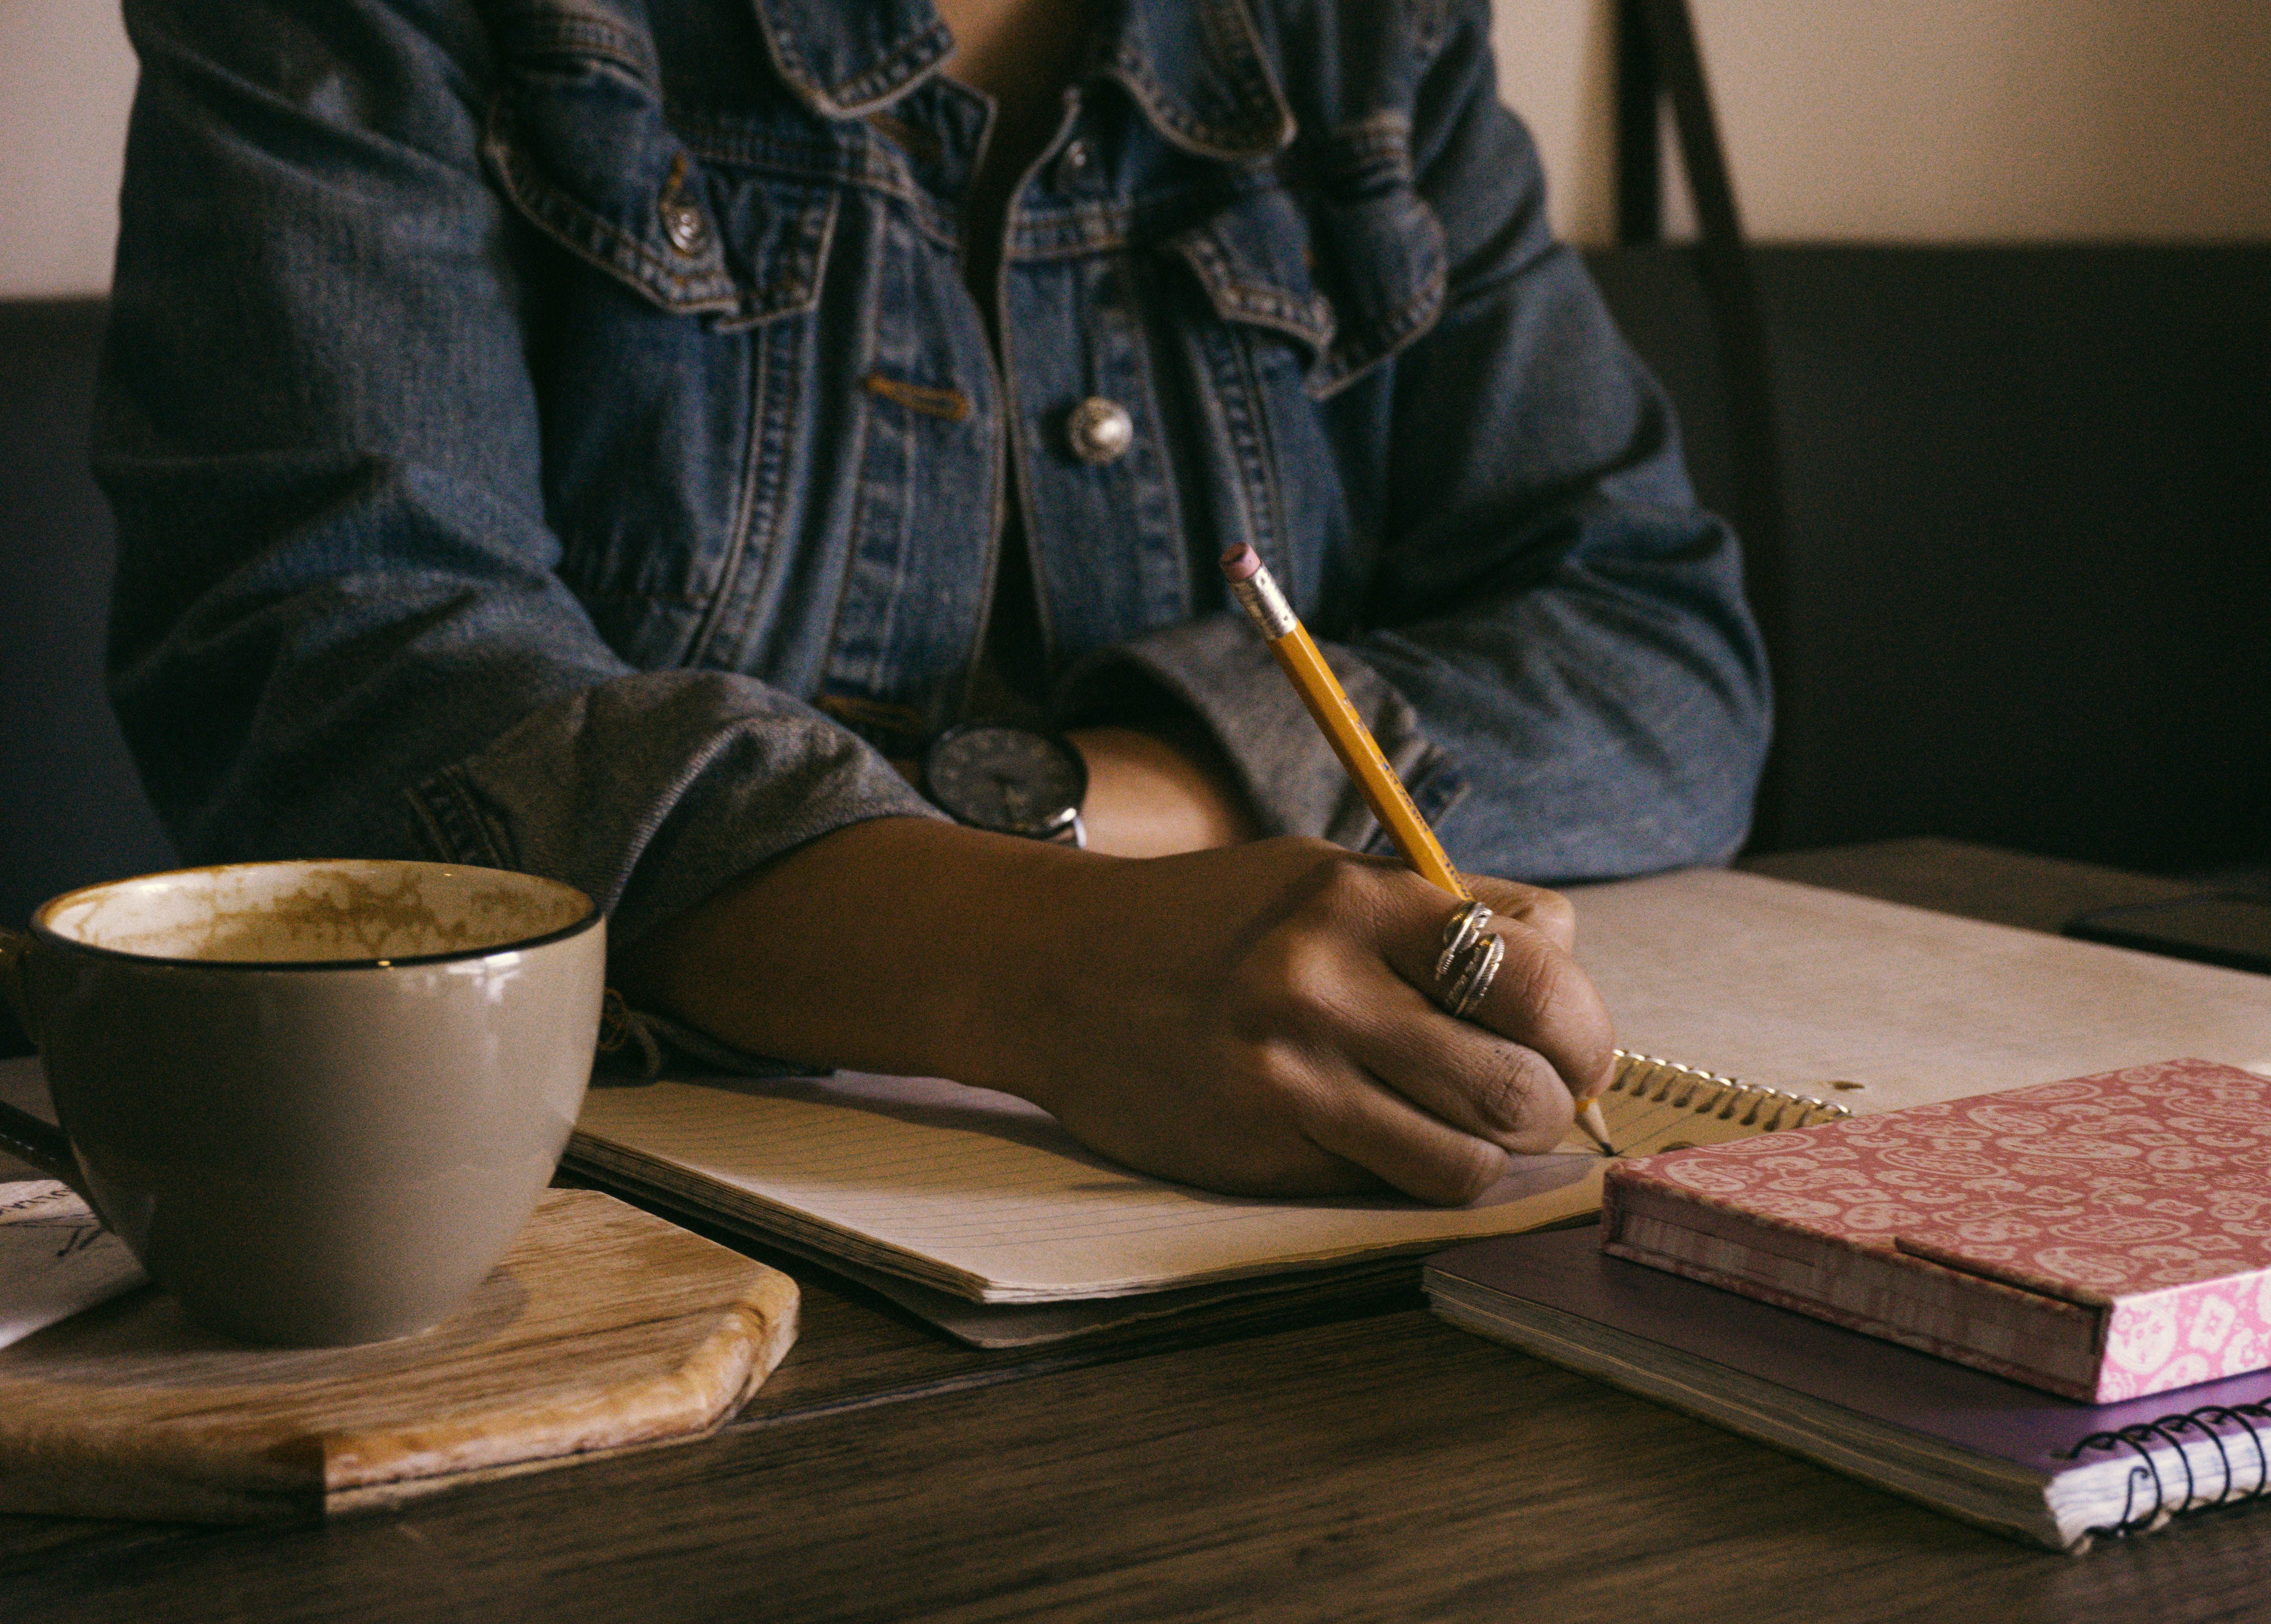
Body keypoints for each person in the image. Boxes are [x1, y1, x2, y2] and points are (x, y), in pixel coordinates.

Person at [97, 0, 1769, 1205]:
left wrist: (1073, 808)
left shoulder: (1367, 44)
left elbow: (1660, 654)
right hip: (560, 1285)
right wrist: (1031, 966)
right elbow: (331, 670)